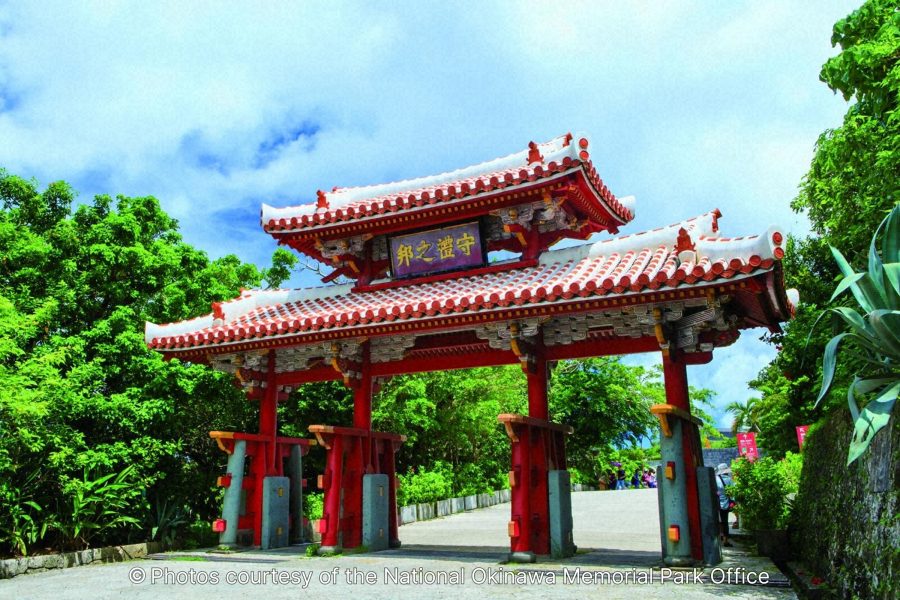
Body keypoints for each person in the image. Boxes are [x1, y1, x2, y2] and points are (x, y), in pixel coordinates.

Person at [716, 463, 735, 547]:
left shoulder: (715, 479)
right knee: (725, 521)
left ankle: (719, 536)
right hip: (726, 503)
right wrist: (733, 502)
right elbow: (732, 492)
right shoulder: (729, 480)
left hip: (717, 503)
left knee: (718, 520)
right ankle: (725, 540)